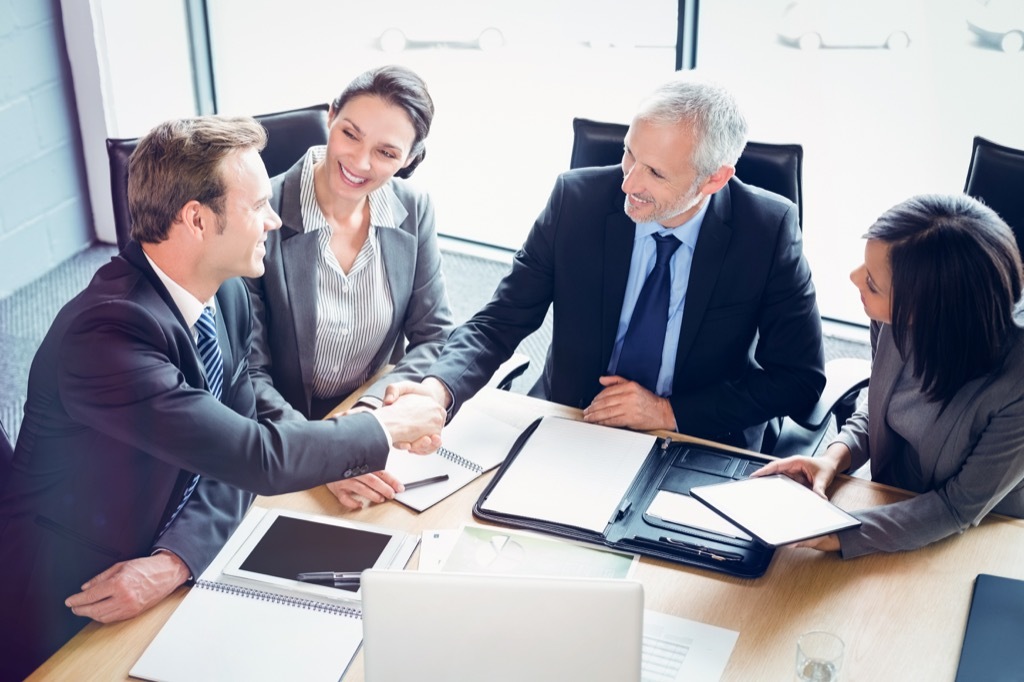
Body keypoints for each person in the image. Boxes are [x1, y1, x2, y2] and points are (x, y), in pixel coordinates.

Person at [0, 116, 444, 680]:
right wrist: (388, 426)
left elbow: (233, 456)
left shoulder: (224, 292)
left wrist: (176, 561)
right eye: (258, 205)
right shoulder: (107, 336)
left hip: (163, 555)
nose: (275, 219)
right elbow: (254, 456)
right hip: (71, 595)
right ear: (196, 219)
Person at [393, 71, 825, 452]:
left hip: (698, 436)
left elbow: (799, 378)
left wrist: (668, 413)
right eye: (629, 154)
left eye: (656, 173)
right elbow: (499, 321)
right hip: (574, 419)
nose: (629, 182)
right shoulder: (575, 201)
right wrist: (437, 390)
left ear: (715, 178)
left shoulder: (767, 230)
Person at [754, 193, 1024, 557]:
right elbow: (880, 402)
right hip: (889, 497)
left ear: (930, 311)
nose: (853, 279)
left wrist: (843, 534)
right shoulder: (891, 316)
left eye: (873, 283)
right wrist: (835, 456)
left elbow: (957, 506)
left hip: (984, 530)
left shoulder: (1015, 382)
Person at [245, 65, 453, 512]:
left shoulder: (412, 208)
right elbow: (248, 374)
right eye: (351, 134)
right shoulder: (261, 217)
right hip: (279, 432)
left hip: (369, 414)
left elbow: (434, 334)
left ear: (409, 159)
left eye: (386, 152)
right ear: (331, 116)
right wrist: (327, 452)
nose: (360, 162)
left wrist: (368, 417)